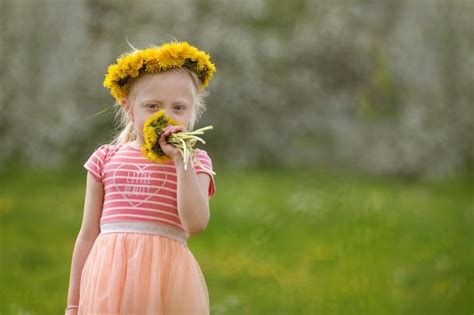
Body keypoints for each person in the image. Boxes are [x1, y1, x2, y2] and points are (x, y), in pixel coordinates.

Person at [65, 41, 217, 314]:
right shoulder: (105, 159)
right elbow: (87, 235)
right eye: (152, 106)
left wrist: (181, 161)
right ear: (128, 108)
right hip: (108, 281)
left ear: (193, 112)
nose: (166, 116)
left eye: (179, 108)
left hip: (165, 281)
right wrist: (73, 304)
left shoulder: (195, 162)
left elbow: (195, 224)